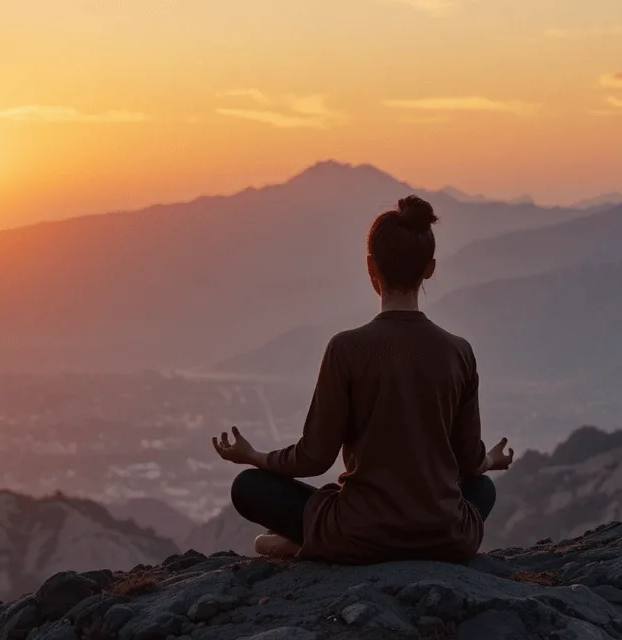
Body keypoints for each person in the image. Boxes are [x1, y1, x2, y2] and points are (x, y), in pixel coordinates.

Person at [212, 195, 513, 563]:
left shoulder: (346, 349)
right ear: (430, 268)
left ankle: (308, 545)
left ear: (371, 266)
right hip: (445, 535)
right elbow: (469, 464)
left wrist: (253, 456)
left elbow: (313, 458)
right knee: (482, 488)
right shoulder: (459, 351)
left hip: (359, 532)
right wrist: (490, 461)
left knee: (249, 487)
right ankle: (319, 544)